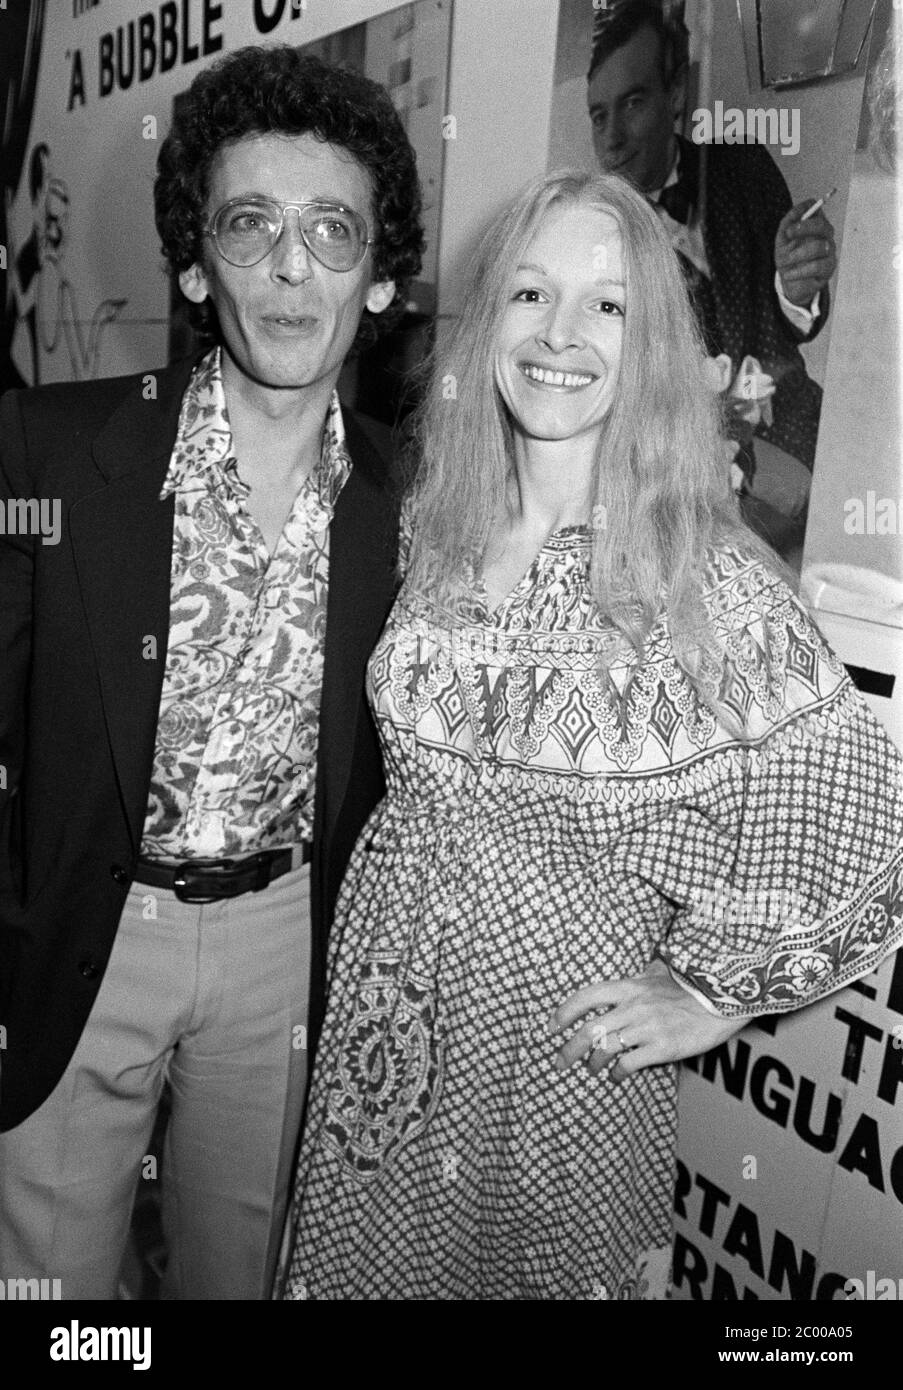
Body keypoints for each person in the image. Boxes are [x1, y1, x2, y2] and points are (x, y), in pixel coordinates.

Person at [278, 169, 903, 1300]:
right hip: (388, 1024)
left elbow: (866, 823)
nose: (561, 334)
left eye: (606, 306)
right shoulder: (432, 526)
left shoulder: (703, 583)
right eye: (530, 295)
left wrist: (712, 993)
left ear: (649, 340)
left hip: (561, 1060)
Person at [0, 45, 423, 1299]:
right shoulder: (49, 450)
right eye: (251, 225)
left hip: (285, 946)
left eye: (334, 229)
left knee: (241, 1277)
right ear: (194, 261)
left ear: (380, 275)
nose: (293, 267)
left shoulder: (419, 504)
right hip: (86, 923)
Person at [587, 0, 836, 492]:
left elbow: (794, 321)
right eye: (598, 116)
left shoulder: (744, 167)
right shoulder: (593, 234)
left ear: (675, 93)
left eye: (633, 103)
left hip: (801, 445)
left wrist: (797, 287)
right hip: (682, 481)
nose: (612, 139)